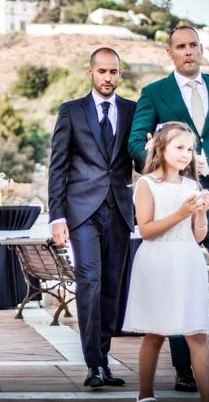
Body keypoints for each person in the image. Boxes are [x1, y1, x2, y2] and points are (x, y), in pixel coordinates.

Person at [128, 25, 209, 392]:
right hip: (175, 191)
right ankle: (184, 367)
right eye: (180, 46)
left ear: (201, 49)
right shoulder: (154, 92)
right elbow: (136, 140)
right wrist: (160, 171)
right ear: (170, 53)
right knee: (176, 281)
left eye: (194, 45)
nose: (188, 51)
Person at [48, 47, 139, 389]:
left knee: (112, 288)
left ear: (119, 73)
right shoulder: (71, 111)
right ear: (90, 72)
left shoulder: (132, 111)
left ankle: (104, 358)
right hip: (82, 212)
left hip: (119, 210)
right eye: (102, 71)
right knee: (90, 282)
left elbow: (142, 159)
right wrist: (57, 216)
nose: (108, 77)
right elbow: (57, 167)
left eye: (114, 72)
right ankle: (93, 365)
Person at [123, 122, 209, 402]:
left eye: (190, 148)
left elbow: (198, 236)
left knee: (197, 332)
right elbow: (147, 230)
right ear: (161, 148)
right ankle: (145, 394)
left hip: (187, 259)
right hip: (158, 260)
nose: (186, 154)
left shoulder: (191, 185)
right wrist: (180, 212)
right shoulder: (146, 184)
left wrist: (201, 214)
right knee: (155, 333)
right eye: (179, 147)